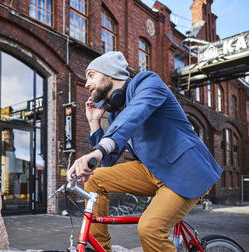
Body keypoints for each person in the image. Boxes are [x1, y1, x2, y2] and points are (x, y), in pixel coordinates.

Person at [67, 51, 222, 252]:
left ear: (110, 74)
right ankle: (101, 249)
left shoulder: (148, 82)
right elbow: (108, 161)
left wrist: (98, 150)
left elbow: (136, 112)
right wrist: (94, 122)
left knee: (150, 228)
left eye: (91, 75)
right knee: (95, 178)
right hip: (152, 171)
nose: (86, 83)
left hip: (186, 171)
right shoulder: (115, 115)